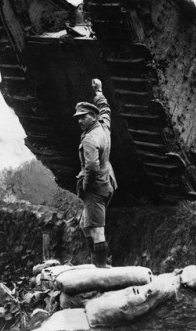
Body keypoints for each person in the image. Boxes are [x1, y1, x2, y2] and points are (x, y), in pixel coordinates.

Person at [74, 78, 117, 268]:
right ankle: (96, 260)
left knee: (97, 230)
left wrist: (85, 187)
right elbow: (105, 109)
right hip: (106, 181)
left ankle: (100, 267)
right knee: (85, 224)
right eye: (78, 117)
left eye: (83, 117)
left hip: (95, 188)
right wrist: (99, 91)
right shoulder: (103, 126)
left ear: (92, 116)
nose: (80, 120)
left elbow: (91, 167)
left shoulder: (91, 139)